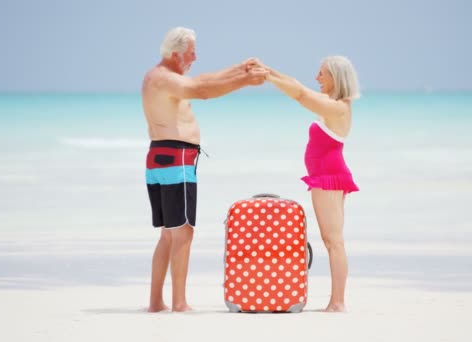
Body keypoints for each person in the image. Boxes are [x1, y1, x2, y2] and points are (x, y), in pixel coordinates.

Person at [141, 27, 268, 312]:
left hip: (157, 157)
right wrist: (245, 82)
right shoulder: (166, 79)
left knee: (167, 234)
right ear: (176, 54)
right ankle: (179, 303)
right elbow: (203, 91)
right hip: (177, 158)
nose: (195, 57)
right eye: (191, 53)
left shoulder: (159, 76)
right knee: (183, 233)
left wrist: (239, 68)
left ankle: (156, 302)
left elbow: (202, 80)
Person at [258, 56, 360, 312]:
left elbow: (301, 95)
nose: (317, 78)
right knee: (332, 240)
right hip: (326, 175)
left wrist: (269, 78)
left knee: (333, 241)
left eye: (322, 73)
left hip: (328, 176)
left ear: (336, 77)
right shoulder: (332, 104)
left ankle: (337, 303)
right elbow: (299, 87)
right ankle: (337, 301)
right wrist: (271, 71)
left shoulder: (337, 107)